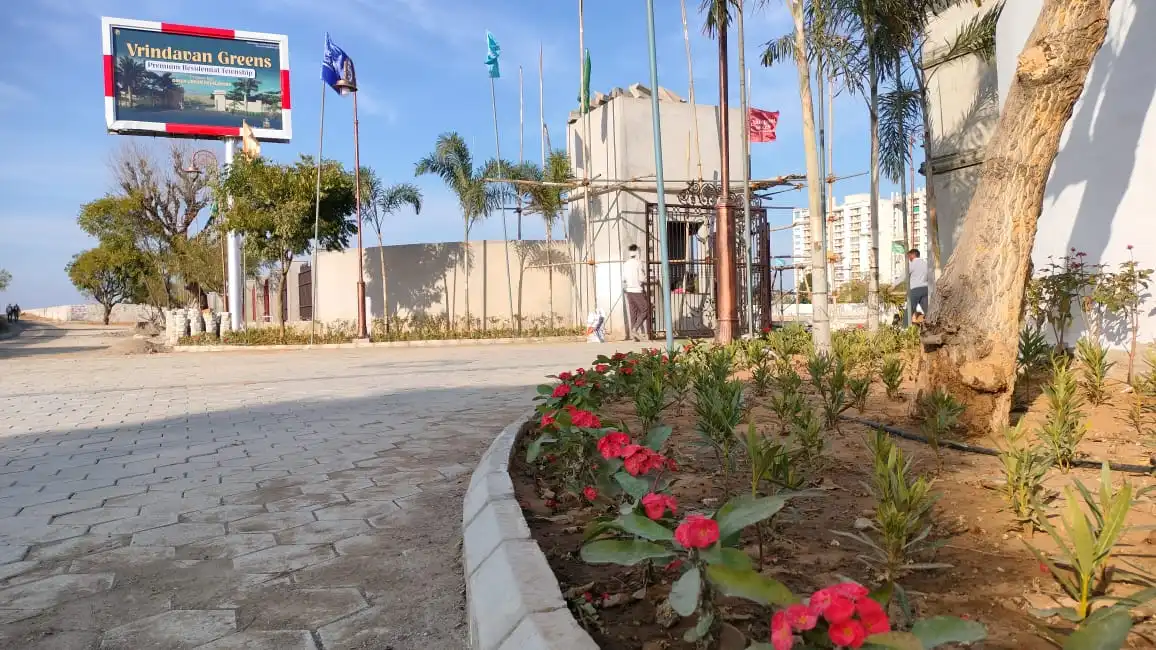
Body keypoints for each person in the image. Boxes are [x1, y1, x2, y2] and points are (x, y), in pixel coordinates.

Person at [622, 244, 648, 342]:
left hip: (629, 291)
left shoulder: (625, 264)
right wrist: (644, 276)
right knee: (645, 309)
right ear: (637, 252)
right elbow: (641, 278)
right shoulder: (638, 263)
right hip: (637, 290)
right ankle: (635, 329)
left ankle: (634, 337)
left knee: (633, 312)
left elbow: (623, 278)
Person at [906, 248, 928, 324]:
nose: (909, 259)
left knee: (909, 309)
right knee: (928, 310)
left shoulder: (913, 264)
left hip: (915, 290)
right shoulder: (926, 263)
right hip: (925, 289)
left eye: (909, 256)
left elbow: (904, 275)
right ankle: (932, 325)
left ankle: (904, 328)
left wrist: (893, 285)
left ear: (913, 255)